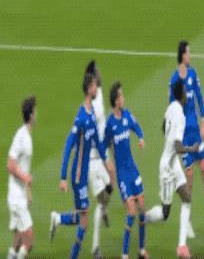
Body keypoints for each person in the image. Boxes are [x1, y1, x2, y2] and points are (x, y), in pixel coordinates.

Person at [50, 73, 113, 259]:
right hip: (78, 175)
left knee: (81, 217)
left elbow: (97, 142)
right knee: (84, 221)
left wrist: (106, 160)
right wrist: (63, 177)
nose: (96, 88)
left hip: (84, 174)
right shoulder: (81, 117)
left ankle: (57, 218)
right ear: (88, 89)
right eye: (94, 86)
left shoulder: (91, 112)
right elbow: (68, 145)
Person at [169, 41, 204, 233]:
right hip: (184, 136)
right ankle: (187, 221)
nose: (190, 55)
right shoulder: (174, 80)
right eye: (188, 53)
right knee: (189, 179)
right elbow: (171, 108)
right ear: (182, 55)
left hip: (197, 135)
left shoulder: (193, 74)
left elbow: (200, 97)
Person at [145, 79, 199, 259]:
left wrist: (170, 143)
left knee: (186, 198)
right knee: (165, 213)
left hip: (173, 162)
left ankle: (182, 247)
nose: (187, 94)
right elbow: (178, 146)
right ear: (181, 94)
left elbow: (163, 127)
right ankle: (144, 217)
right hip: (168, 167)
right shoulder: (181, 116)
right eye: (185, 91)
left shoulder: (171, 107)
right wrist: (192, 149)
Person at [104, 82, 148, 259]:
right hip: (122, 175)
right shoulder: (110, 124)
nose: (123, 98)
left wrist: (141, 138)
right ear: (116, 100)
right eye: (121, 95)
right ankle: (124, 254)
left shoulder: (127, 115)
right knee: (131, 213)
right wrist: (108, 161)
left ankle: (141, 250)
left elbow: (136, 127)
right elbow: (103, 145)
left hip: (133, 170)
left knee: (142, 210)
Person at [85, 61, 113, 259]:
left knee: (110, 189)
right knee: (101, 200)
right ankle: (95, 247)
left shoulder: (99, 93)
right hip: (94, 161)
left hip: (104, 157)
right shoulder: (88, 111)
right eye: (96, 75)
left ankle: (103, 210)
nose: (99, 75)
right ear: (90, 85)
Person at [6, 96, 36, 259]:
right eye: (35, 111)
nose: (36, 115)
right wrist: (25, 177)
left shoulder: (27, 136)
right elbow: (10, 164)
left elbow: (24, 168)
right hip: (16, 197)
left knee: (19, 235)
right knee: (29, 239)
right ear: (30, 115)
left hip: (20, 196)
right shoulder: (21, 136)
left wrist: (28, 194)